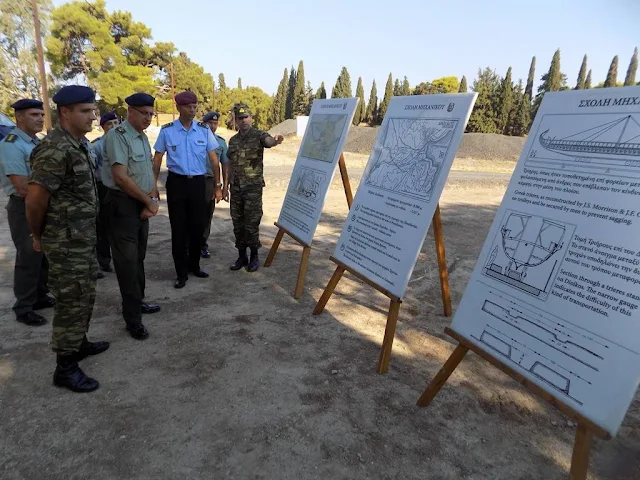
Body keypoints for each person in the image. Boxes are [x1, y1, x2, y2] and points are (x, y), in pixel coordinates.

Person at [26, 85, 109, 393]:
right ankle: (65, 367)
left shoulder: (78, 144)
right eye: (85, 111)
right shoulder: (54, 149)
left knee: (84, 293)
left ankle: (79, 343)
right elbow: (35, 201)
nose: (92, 116)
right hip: (65, 242)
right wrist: (38, 235)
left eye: (93, 110)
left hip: (82, 238)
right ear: (65, 113)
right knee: (70, 300)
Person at [102, 93, 160, 340]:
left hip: (141, 204)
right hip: (123, 205)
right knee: (126, 263)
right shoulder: (119, 137)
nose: (148, 118)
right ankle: (132, 319)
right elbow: (121, 178)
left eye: (151, 113)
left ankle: (138, 302)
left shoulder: (143, 138)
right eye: (143, 113)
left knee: (138, 257)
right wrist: (148, 201)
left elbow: (145, 172)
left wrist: (151, 199)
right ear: (130, 112)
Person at [152, 91, 222, 289]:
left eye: (194, 106)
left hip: (198, 183)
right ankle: (181, 273)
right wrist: (153, 185)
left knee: (197, 227)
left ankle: (195, 266)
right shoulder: (167, 131)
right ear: (179, 108)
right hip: (177, 184)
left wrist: (218, 185)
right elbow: (157, 158)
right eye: (188, 106)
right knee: (179, 229)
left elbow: (214, 159)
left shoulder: (203, 130)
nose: (193, 110)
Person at [0, 99, 54, 326]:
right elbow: (22, 186)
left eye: (41, 114)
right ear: (19, 117)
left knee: (44, 254)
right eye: (34, 114)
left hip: (41, 203)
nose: (40, 118)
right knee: (29, 256)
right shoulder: (11, 143)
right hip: (24, 206)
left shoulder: (36, 142)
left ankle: (39, 296)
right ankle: (23, 306)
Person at [227, 104, 283, 272]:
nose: (243, 121)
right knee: (238, 224)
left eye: (246, 117)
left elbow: (269, 141)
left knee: (251, 224)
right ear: (236, 121)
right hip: (236, 190)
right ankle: (241, 256)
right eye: (240, 118)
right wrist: (227, 185)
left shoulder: (259, 135)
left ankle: (254, 256)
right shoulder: (233, 140)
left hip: (252, 190)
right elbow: (230, 163)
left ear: (251, 118)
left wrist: (276, 141)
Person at [90, 111, 119, 273]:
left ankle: (119, 258)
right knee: (102, 226)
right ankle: (104, 260)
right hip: (103, 188)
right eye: (110, 124)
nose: (114, 127)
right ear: (103, 127)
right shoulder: (96, 146)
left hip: (120, 189)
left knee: (118, 225)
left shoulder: (123, 143)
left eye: (116, 123)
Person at [201, 111, 229, 258]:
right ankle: (188, 245)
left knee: (206, 215)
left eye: (215, 123)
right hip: (193, 180)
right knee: (190, 214)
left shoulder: (221, 142)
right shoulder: (195, 138)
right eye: (209, 123)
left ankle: (202, 245)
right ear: (203, 123)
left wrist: (224, 187)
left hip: (210, 182)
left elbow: (225, 165)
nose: (212, 126)